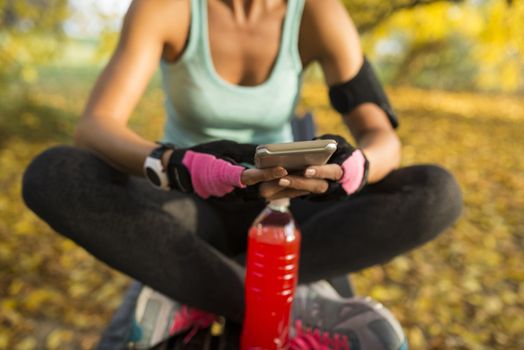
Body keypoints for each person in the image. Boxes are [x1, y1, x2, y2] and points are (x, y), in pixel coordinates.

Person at [22, 0, 462, 348]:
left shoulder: (317, 12)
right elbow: (95, 125)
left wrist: (357, 168)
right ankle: (285, 304)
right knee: (54, 173)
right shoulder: (166, 7)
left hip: (288, 206)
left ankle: (202, 289)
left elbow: (381, 135)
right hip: (191, 202)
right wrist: (175, 165)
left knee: (435, 191)